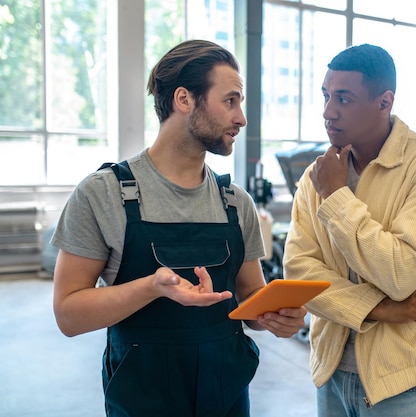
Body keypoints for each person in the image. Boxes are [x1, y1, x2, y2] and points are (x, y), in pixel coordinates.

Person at [51, 39, 306, 417]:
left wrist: (276, 318)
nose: (242, 119)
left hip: (226, 395)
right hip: (143, 398)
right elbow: (68, 314)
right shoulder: (103, 194)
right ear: (184, 100)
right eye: (230, 101)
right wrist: (152, 287)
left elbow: (251, 298)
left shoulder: (236, 202)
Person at [283, 44, 416, 416]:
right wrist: (377, 307)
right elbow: (299, 272)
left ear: (384, 102)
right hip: (331, 374)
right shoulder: (314, 176)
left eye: (344, 99)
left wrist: (334, 195)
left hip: (406, 382)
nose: (328, 112)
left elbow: (400, 273)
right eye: (327, 96)